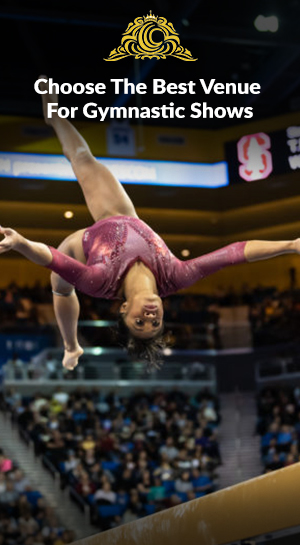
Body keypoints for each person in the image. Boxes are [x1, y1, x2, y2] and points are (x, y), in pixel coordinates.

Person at [2, 78, 300, 370]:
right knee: (83, 158)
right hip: (123, 216)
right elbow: (236, 252)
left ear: (122, 309)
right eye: (155, 323)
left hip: (81, 246)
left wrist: (20, 243)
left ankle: (70, 345)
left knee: (61, 287)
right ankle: (54, 116)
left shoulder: (99, 282)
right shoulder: (176, 276)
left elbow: (50, 256)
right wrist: (290, 245)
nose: (149, 316)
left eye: (139, 322)